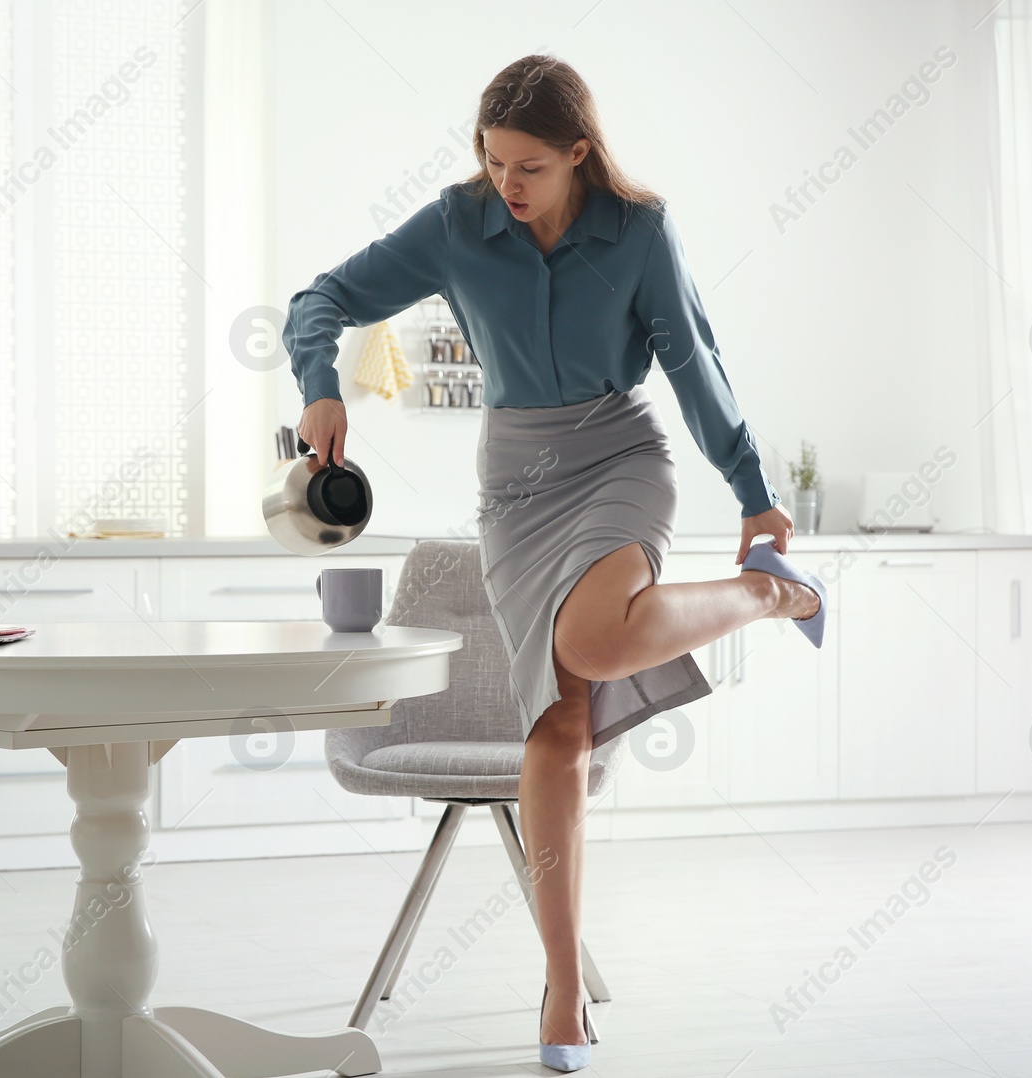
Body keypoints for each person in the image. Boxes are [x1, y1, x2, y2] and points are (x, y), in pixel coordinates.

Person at [284, 53, 824, 1072]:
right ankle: (564, 987)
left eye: (529, 165)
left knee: (591, 638)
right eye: (493, 163)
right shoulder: (453, 224)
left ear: (580, 151)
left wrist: (752, 490)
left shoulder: (639, 231)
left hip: (619, 456)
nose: (508, 185)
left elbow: (691, 362)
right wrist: (319, 383)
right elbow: (320, 299)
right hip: (516, 486)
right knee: (556, 716)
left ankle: (762, 593)